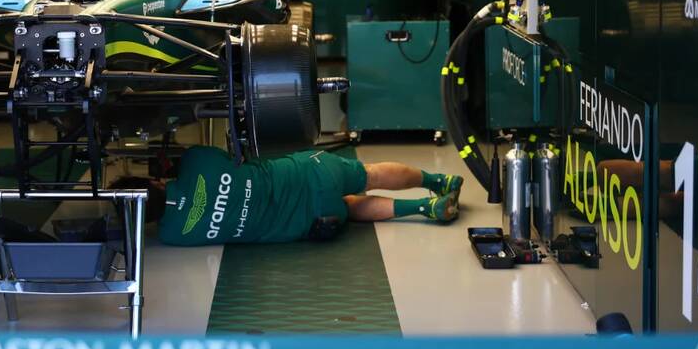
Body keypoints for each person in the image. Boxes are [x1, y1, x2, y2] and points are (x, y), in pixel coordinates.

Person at [113, 146, 462, 246]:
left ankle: (424, 207)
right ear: (155, 181)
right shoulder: (195, 161)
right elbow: (227, 155)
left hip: (317, 223)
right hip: (313, 172)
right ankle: (438, 180)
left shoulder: (173, 235)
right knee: (369, 175)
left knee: (348, 206)